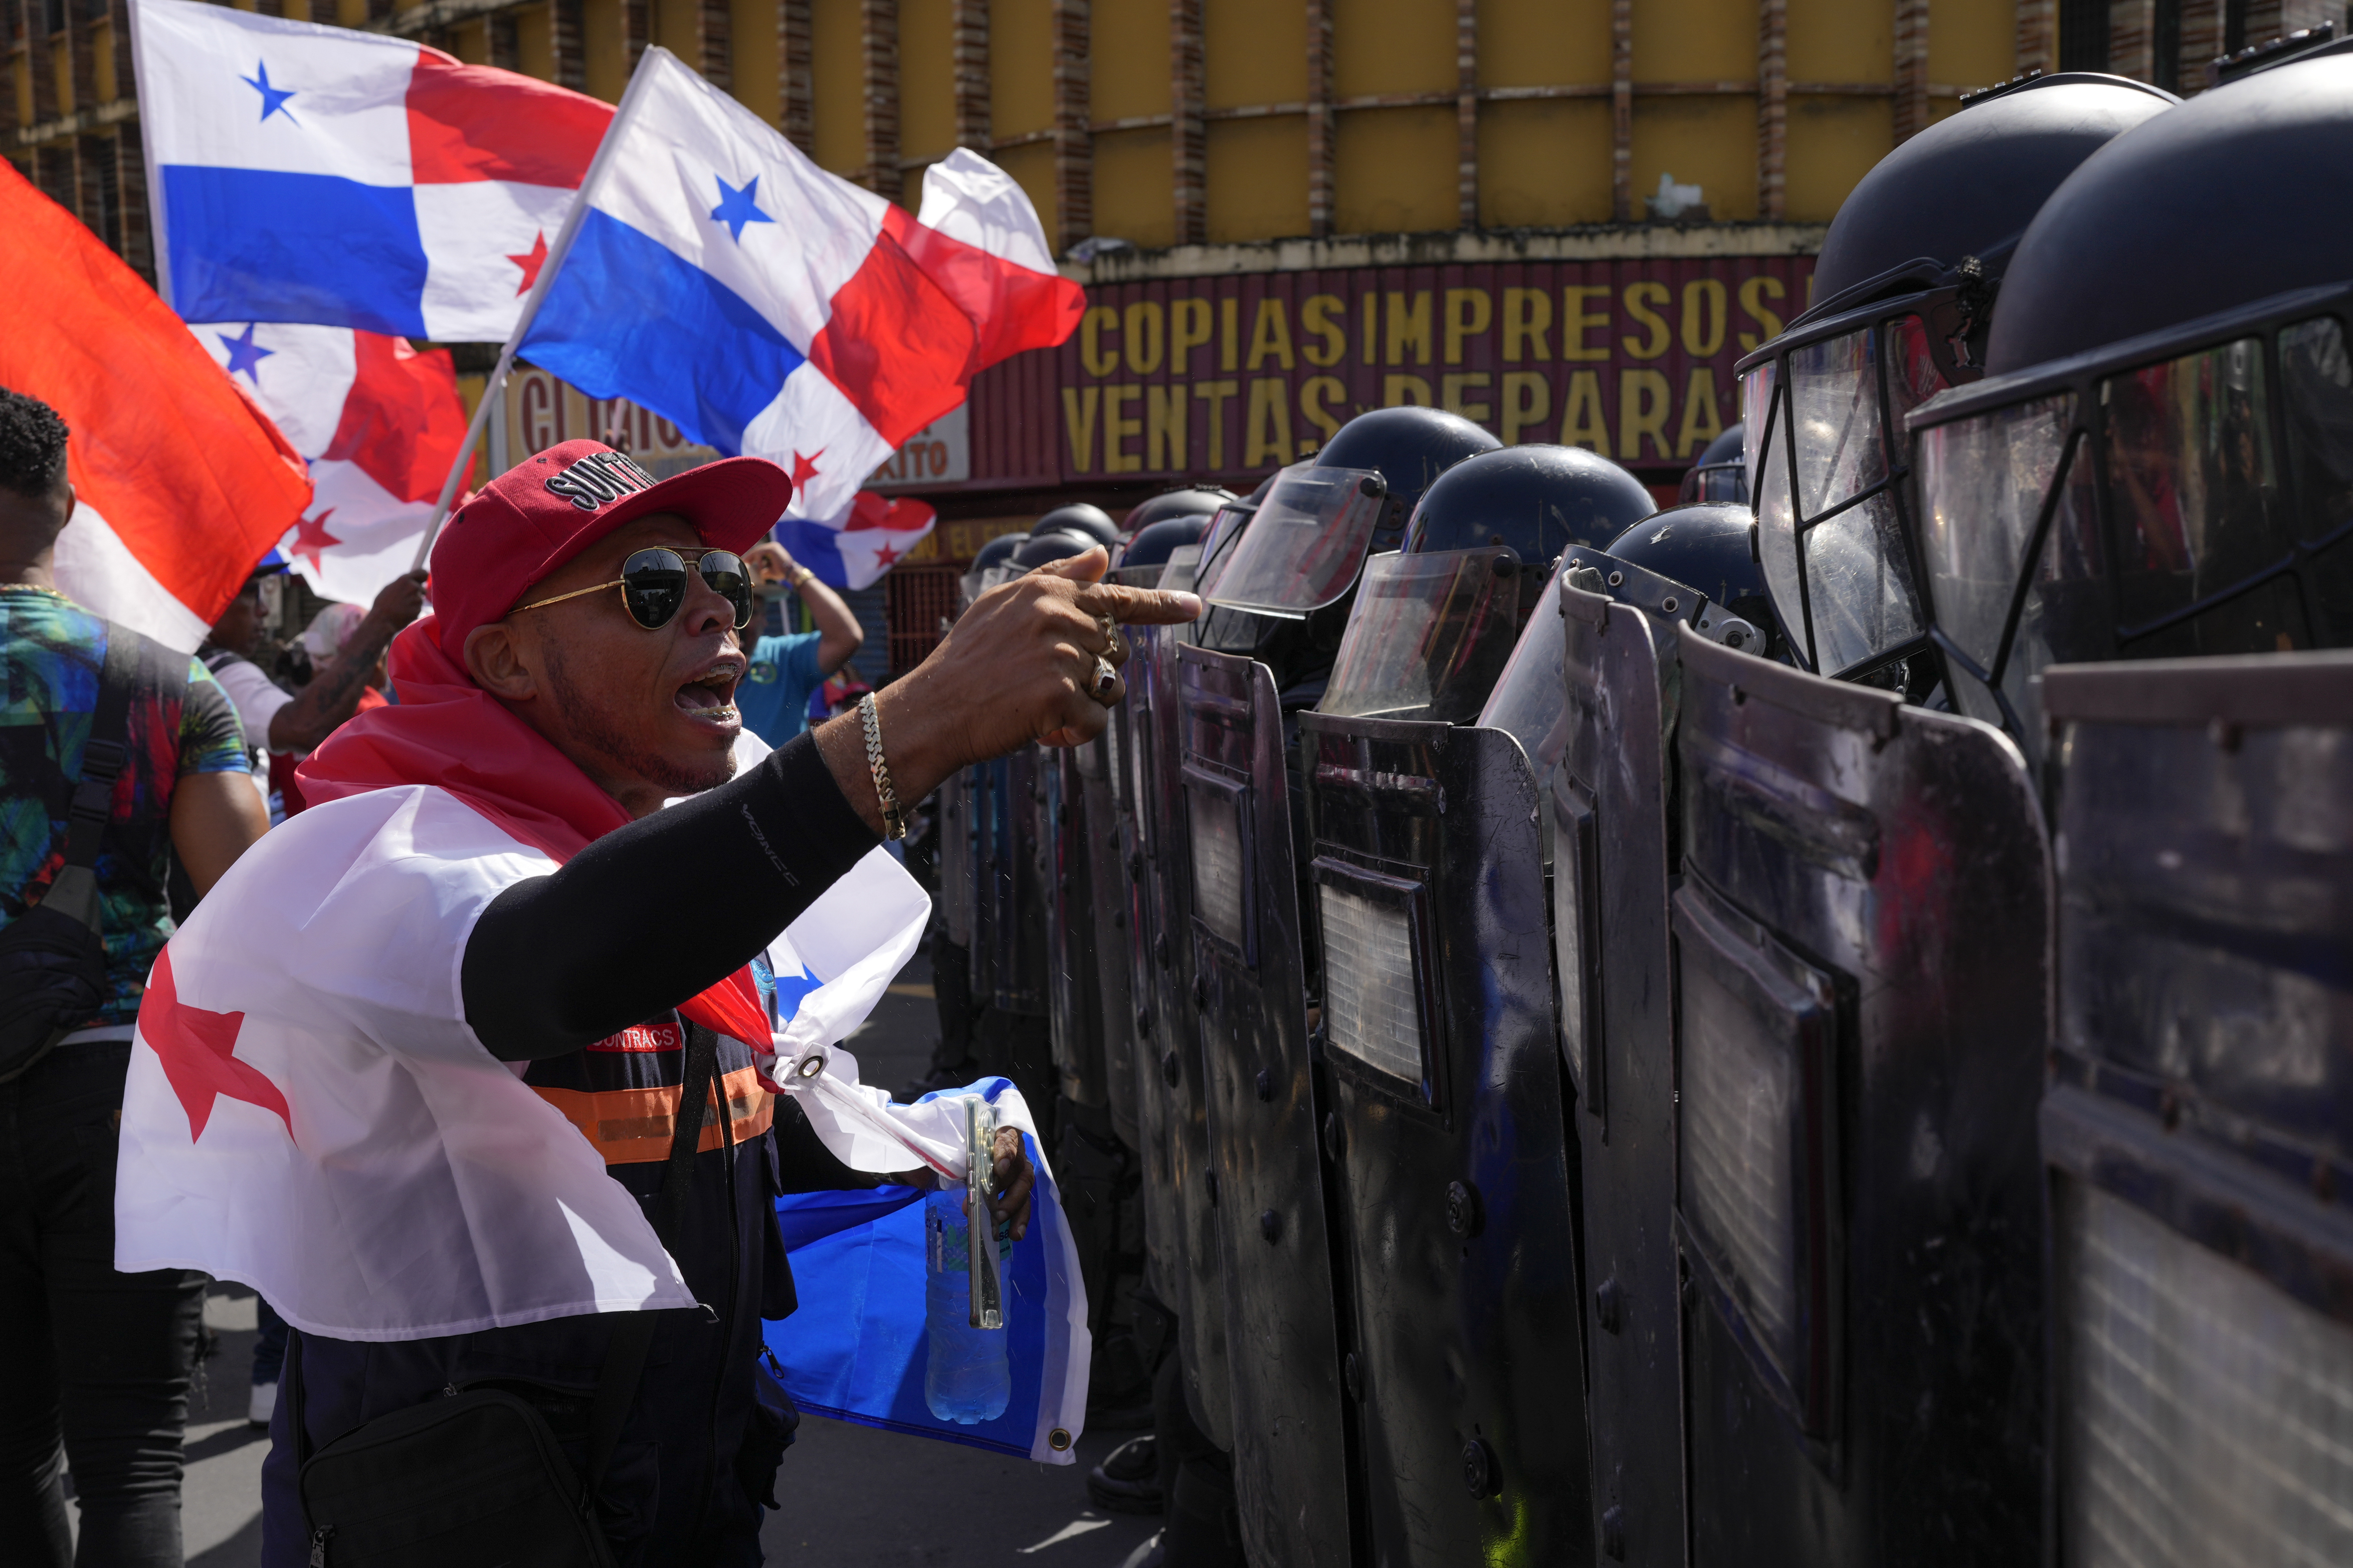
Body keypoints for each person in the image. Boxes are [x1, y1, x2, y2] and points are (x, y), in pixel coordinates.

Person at [160, 440, 1198, 1566]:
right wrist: (925, 719)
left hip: (683, 1492)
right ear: (506, 657)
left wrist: (927, 1157)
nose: (715, 609)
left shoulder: (661, 835)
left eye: (726, 582)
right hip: (460, 1509)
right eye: (651, 588)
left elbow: (683, 1109)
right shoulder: (373, 839)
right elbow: (555, 962)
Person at [0, 387, 271, 1565]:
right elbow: (250, 912)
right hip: (117, 1104)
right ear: (66, 502)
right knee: (134, 1458)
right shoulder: (171, 687)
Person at [200, 560, 428, 799]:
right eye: (251, 594)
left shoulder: (288, 703)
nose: (264, 610)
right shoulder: (215, 673)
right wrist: (382, 620)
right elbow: (306, 729)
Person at [734, 539, 863, 745]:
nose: (739, 622)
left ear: (765, 620)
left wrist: (792, 572)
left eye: (750, 612)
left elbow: (846, 637)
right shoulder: (696, 661)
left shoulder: (783, 656)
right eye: (734, 610)